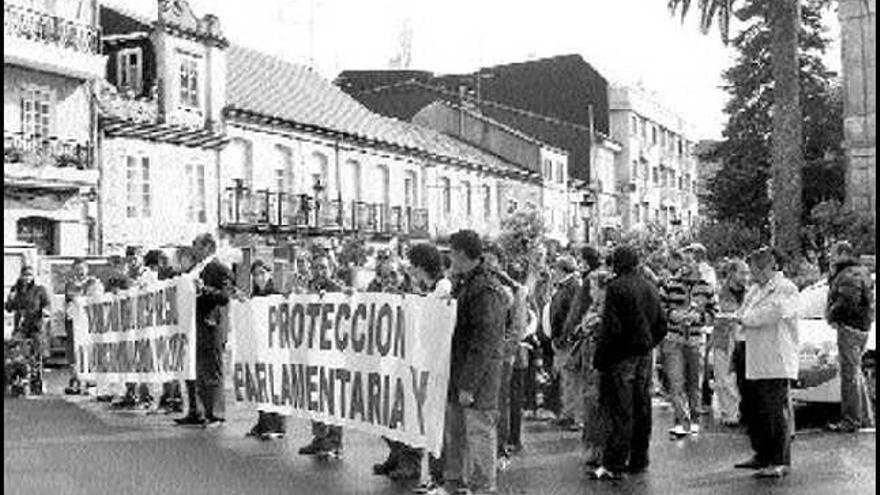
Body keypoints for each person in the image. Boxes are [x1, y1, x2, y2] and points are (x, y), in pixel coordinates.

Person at [373, 243, 450, 489]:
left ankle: (414, 463)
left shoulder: (433, 289)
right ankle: (397, 455)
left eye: (394, 274)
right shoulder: (390, 289)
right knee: (386, 412)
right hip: (396, 359)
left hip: (419, 362)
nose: (390, 279)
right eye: (385, 275)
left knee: (414, 415)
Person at [590, 246, 667, 481]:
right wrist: (647, 344)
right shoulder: (649, 286)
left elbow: (611, 328)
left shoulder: (616, 287)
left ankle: (614, 462)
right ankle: (639, 458)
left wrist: (601, 359)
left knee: (620, 410)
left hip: (621, 355)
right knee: (642, 407)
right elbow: (661, 323)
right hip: (644, 353)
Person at [443, 230, 507, 495]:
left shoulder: (483, 289)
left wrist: (468, 384)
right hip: (462, 373)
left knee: (479, 433)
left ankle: (482, 487)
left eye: (451, 252)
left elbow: (484, 341)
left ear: (460, 253)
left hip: (477, 378)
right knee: (458, 433)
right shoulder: (468, 284)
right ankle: (458, 483)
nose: (449, 258)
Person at [734, 247, 798, 478]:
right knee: (755, 409)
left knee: (774, 411)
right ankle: (761, 453)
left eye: (755, 270)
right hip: (751, 354)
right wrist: (741, 318)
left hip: (774, 359)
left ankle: (780, 460)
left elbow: (773, 312)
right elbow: (741, 312)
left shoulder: (786, 288)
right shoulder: (754, 290)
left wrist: (744, 319)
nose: (751, 275)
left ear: (768, 267)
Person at [175, 234, 235, 427]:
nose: (194, 249)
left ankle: (216, 414)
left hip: (211, 326)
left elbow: (225, 296)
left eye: (197, 245)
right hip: (195, 326)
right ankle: (198, 411)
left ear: (208, 247)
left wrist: (204, 290)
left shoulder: (219, 268)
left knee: (213, 370)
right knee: (198, 370)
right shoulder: (196, 268)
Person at [660, 249, 716, 438]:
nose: (686, 264)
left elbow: (714, 313)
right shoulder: (670, 285)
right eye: (684, 261)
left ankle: (695, 419)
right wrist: (671, 315)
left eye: (691, 261)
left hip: (695, 339)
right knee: (676, 383)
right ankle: (681, 421)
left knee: (695, 383)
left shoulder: (706, 287)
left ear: (698, 263)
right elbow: (660, 308)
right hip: (674, 339)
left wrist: (699, 317)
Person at [561, 246, 608, 467]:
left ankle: (596, 450)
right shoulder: (597, 309)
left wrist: (575, 330)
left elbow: (585, 328)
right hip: (593, 364)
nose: (589, 292)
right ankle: (594, 448)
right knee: (592, 403)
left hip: (597, 365)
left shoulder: (600, 313)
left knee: (594, 405)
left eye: (592, 288)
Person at [297, 253, 346, 458]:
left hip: (333, 352)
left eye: (324, 268)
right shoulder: (308, 289)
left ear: (331, 269)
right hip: (313, 351)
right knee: (315, 395)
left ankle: (334, 441)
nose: (320, 272)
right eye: (316, 268)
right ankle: (319, 437)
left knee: (332, 396)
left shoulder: (339, 290)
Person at [825, 241, 875, 433]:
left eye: (834, 254)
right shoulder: (860, 271)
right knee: (856, 372)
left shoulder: (849, 274)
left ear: (844, 253)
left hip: (850, 328)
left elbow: (847, 301)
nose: (831, 257)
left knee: (849, 376)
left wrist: (832, 315)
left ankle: (851, 420)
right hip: (860, 327)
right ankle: (865, 417)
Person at [245, 260, 287, 440]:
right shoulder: (255, 296)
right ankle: (263, 422)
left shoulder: (276, 295)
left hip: (275, 349)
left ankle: (276, 425)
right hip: (260, 348)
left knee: (275, 385)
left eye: (262, 273)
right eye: (255, 274)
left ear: (269, 274)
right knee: (262, 385)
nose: (259, 278)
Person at [711, 259, 749, 426]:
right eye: (742, 273)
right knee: (724, 377)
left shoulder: (750, 293)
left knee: (742, 378)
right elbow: (720, 313)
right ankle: (730, 413)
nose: (746, 277)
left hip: (744, 340)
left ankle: (743, 411)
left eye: (747, 273)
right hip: (724, 338)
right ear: (732, 273)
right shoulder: (720, 293)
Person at [548, 255, 583, 429]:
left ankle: (575, 417)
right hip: (562, 338)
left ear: (562, 269)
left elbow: (572, 315)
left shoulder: (573, 286)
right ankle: (568, 413)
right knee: (566, 377)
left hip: (568, 340)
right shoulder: (566, 286)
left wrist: (563, 337)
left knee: (572, 377)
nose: (553, 272)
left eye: (555, 268)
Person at [5, 265, 52, 394]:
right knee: (16, 351)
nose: (27, 278)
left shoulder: (39, 290)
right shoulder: (17, 290)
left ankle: (37, 381)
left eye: (30, 275)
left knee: (36, 354)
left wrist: (45, 313)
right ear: (21, 276)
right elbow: (9, 308)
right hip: (21, 326)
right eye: (25, 275)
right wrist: (10, 298)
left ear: (33, 276)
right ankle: (17, 379)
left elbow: (47, 304)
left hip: (36, 325)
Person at [63, 258, 100, 395]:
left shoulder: (94, 282)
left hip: (88, 322)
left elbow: (96, 297)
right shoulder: (70, 284)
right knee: (73, 350)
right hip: (74, 321)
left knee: (89, 349)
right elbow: (71, 298)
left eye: (82, 268)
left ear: (87, 269)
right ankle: (76, 380)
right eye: (77, 269)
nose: (80, 271)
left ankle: (91, 381)